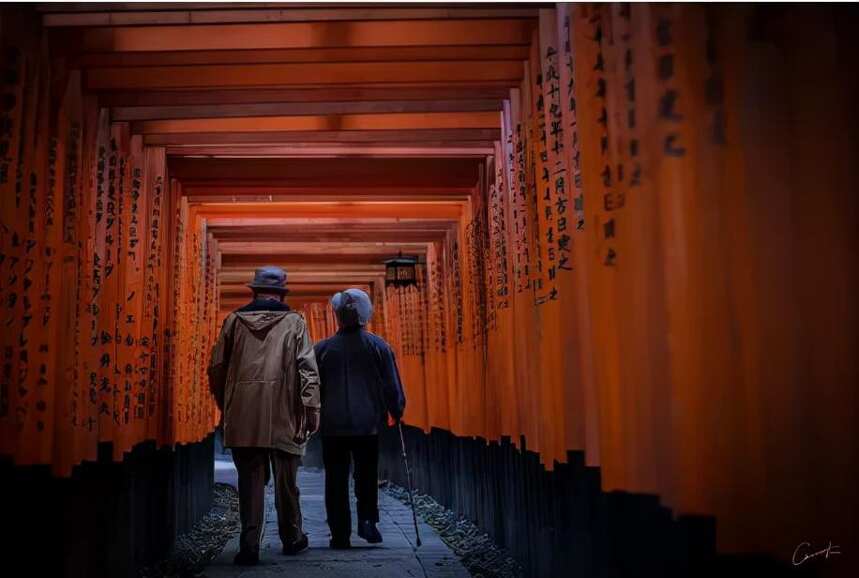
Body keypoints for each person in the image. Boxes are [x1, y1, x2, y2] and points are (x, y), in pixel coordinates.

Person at [207, 266, 321, 566]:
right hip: (286, 412)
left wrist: (227, 402)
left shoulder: (233, 321)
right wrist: (311, 409)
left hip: (244, 413)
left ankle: (249, 545)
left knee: (250, 480)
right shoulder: (295, 322)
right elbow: (307, 369)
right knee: (287, 481)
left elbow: (217, 367)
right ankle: (292, 538)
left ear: (253, 291)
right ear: (282, 293)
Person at [313, 287, 406, 549]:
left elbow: (312, 388)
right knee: (366, 475)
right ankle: (367, 520)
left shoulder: (322, 350)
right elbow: (392, 385)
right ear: (365, 315)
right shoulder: (378, 346)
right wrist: (396, 410)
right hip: (368, 425)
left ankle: (340, 533)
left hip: (332, 425)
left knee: (335, 479)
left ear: (338, 316)